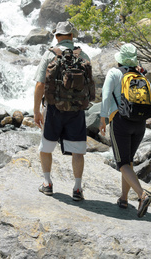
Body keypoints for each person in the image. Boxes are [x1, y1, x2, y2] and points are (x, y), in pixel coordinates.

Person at [34, 21, 90, 200]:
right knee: (78, 150)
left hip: (53, 109)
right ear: (72, 35)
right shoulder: (83, 55)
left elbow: (40, 84)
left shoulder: (49, 54)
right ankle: (77, 188)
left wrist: (36, 111)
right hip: (76, 109)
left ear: (56, 36)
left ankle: (47, 183)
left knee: (46, 147)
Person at [99, 43, 151, 218]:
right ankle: (123, 198)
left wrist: (102, 118)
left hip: (120, 121)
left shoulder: (115, 73)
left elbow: (106, 96)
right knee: (128, 161)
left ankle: (142, 195)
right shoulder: (141, 76)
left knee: (122, 163)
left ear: (120, 60)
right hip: (140, 123)